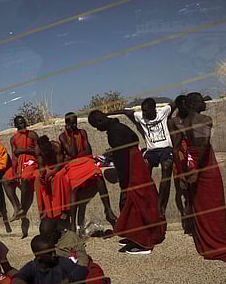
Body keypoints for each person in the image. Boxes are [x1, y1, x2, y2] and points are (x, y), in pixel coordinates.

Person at [88, 110, 165, 254]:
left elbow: (122, 158)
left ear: (99, 122)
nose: (98, 130)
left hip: (132, 168)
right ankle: (134, 235)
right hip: (135, 162)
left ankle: (144, 242)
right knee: (133, 202)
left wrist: (124, 184)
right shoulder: (118, 127)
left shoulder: (114, 132)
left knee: (136, 201)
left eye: (96, 127)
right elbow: (134, 139)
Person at [182, 92, 226, 264]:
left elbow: (184, 147)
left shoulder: (183, 122)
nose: (204, 102)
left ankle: (204, 240)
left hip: (191, 163)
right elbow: (202, 146)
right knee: (214, 205)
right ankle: (217, 243)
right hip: (204, 167)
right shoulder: (204, 119)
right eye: (200, 100)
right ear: (193, 103)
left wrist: (189, 170)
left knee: (200, 205)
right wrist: (196, 171)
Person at [108, 98, 175, 221]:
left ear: (154, 109)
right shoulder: (141, 117)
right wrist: (106, 114)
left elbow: (175, 103)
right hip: (151, 151)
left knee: (166, 169)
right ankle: (147, 204)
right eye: (143, 111)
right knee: (142, 172)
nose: (144, 114)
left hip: (166, 149)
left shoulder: (163, 112)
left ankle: (161, 206)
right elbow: (125, 111)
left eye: (147, 111)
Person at [59, 112, 116, 231]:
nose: (74, 125)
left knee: (97, 174)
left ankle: (108, 210)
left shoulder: (82, 132)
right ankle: (73, 223)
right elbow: (73, 153)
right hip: (73, 165)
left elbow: (88, 151)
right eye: (71, 123)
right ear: (67, 124)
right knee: (73, 186)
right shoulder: (63, 136)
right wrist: (72, 136)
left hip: (85, 160)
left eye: (75, 122)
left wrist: (77, 154)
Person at [39, 219, 116, 284]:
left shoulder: (71, 237)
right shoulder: (43, 242)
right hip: (58, 269)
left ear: (56, 231)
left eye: (48, 236)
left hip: (79, 266)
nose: (46, 239)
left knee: (95, 283)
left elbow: (83, 259)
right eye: (43, 236)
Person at [13, 235, 88, 284]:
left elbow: (81, 270)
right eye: (49, 253)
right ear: (38, 256)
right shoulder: (30, 268)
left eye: (54, 251)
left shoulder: (60, 261)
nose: (54, 255)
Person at [4, 115, 38, 238]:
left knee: (24, 179)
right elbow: (14, 156)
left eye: (23, 122)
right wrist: (14, 171)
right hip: (19, 163)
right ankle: (16, 207)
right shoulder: (13, 138)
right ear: (16, 125)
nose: (22, 125)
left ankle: (23, 209)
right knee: (6, 179)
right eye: (20, 123)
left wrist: (24, 150)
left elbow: (38, 151)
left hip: (31, 162)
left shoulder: (32, 135)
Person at [167, 95, 192, 234]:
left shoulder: (193, 118)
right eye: (183, 104)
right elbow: (176, 144)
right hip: (181, 154)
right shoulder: (174, 121)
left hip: (192, 151)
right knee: (183, 190)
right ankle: (187, 219)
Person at [35, 135, 70, 220]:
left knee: (58, 178)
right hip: (48, 167)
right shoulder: (38, 150)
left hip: (60, 166)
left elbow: (60, 164)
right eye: (43, 150)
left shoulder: (57, 146)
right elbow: (41, 165)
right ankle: (45, 210)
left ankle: (63, 209)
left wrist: (51, 173)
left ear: (49, 144)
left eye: (46, 149)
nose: (45, 152)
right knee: (38, 180)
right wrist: (42, 174)